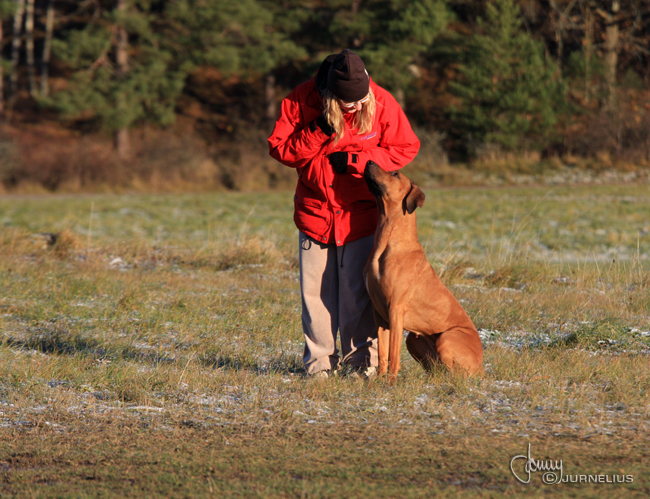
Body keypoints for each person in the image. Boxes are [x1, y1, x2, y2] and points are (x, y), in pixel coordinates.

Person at [268, 49, 420, 378]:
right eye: (349, 103)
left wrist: (359, 162)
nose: (358, 107)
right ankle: (319, 368)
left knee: (357, 293)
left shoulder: (379, 99)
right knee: (317, 296)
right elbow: (281, 149)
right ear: (330, 95)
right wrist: (319, 129)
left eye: (362, 99)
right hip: (315, 214)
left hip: (360, 215)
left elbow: (406, 146)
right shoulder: (300, 101)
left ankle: (362, 365)